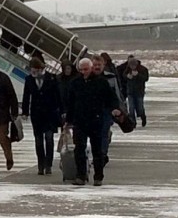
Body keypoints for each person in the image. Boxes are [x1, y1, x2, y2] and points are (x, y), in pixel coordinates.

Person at [65, 58, 120, 186]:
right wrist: (68, 121)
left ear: (91, 68)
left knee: (97, 150)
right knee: (79, 149)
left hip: (96, 120)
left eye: (86, 69)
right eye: (81, 69)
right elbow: (70, 103)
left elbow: (111, 98)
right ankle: (80, 176)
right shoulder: (75, 83)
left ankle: (98, 176)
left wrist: (115, 109)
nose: (84, 72)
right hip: (79, 121)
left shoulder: (101, 82)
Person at [22, 57, 62, 175]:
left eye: (35, 70)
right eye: (32, 70)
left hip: (50, 113)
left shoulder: (52, 78)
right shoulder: (29, 79)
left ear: (40, 69)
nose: (33, 72)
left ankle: (48, 164)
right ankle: (41, 164)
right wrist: (25, 112)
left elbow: (58, 95)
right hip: (36, 114)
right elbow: (26, 96)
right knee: (38, 141)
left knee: (49, 139)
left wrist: (61, 111)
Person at [92, 54, 125, 161]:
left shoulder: (110, 77)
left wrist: (120, 109)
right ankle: (97, 154)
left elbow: (116, 94)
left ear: (103, 65)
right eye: (95, 64)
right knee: (95, 134)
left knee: (104, 133)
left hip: (106, 110)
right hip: (91, 111)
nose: (97, 67)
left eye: (99, 64)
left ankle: (102, 154)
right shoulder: (87, 78)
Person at [123, 57, 150, 127]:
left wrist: (138, 75)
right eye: (130, 66)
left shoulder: (143, 69)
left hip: (139, 92)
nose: (132, 67)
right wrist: (127, 76)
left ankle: (143, 117)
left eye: (133, 66)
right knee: (131, 108)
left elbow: (146, 78)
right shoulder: (128, 69)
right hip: (130, 91)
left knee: (140, 108)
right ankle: (133, 122)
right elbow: (123, 75)